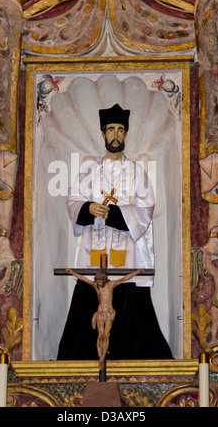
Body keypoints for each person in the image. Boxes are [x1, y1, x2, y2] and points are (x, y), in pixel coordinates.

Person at [57, 104, 172, 361]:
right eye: (111, 129)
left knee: (132, 311)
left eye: (121, 130)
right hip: (92, 254)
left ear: (126, 134)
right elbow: (73, 200)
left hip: (129, 256)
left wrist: (114, 213)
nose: (116, 135)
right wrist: (88, 208)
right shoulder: (89, 172)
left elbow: (145, 209)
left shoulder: (137, 174)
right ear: (103, 133)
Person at [65, 267, 144, 369]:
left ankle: (103, 355)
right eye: (96, 282)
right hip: (101, 313)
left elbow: (125, 278)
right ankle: (100, 358)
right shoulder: (96, 286)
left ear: (104, 280)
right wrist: (72, 272)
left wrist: (137, 272)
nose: (98, 284)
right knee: (100, 335)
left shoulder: (111, 285)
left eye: (99, 281)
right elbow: (84, 279)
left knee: (106, 335)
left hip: (110, 313)